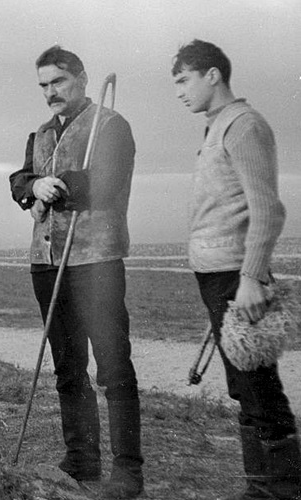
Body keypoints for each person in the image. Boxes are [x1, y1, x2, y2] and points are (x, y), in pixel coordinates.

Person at [9, 46, 143, 498]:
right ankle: (82, 460)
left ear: (82, 80)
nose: (51, 92)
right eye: (44, 85)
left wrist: (58, 186)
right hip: (48, 263)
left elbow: (107, 181)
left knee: (113, 366)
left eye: (59, 82)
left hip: (95, 262)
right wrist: (34, 185)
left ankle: (128, 472)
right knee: (68, 367)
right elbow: (19, 179)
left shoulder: (110, 125)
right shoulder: (41, 133)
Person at [172, 40, 300, 499]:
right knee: (243, 387)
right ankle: (261, 488)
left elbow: (267, 210)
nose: (179, 91)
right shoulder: (217, 125)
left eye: (184, 79)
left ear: (213, 75)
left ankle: (284, 489)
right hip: (217, 273)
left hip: (235, 275)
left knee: (258, 386)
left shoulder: (244, 125)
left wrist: (250, 278)